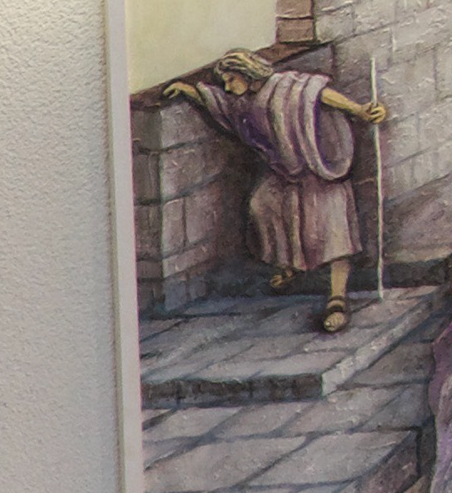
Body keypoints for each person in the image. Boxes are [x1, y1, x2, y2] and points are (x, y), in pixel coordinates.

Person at [145, 46, 384, 334]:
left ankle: (337, 300)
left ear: (246, 73)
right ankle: (289, 265)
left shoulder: (286, 85)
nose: (228, 87)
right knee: (262, 207)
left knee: (334, 233)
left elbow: (320, 94)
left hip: (316, 169)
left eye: (231, 80)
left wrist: (359, 110)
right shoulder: (243, 100)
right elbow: (220, 103)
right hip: (284, 172)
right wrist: (188, 90)